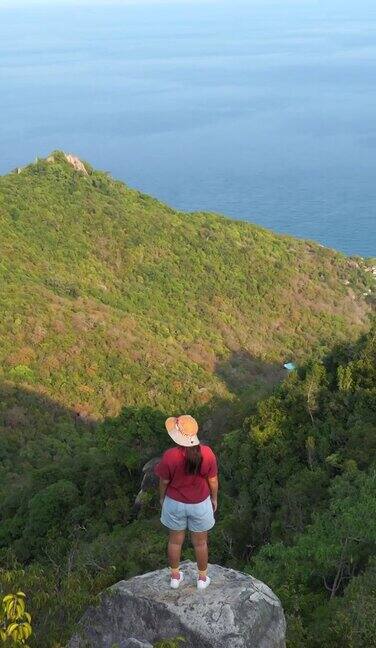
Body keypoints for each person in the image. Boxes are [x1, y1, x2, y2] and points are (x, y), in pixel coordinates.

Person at [155, 414, 219, 591]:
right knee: (200, 543)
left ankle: (175, 577)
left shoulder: (170, 456)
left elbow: (164, 482)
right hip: (200, 504)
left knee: (175, 542)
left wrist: (162, 498)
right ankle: (202, 579)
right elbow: (212, 480)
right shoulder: (207, 453)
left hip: (175, 503)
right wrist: (214, 498)